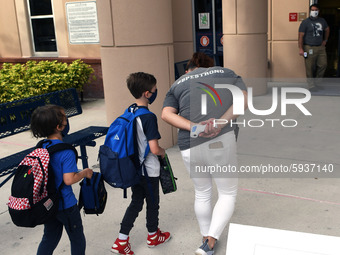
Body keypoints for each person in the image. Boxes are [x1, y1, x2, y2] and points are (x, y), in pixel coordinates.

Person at [162, 52, 247, 255]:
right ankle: (210, 242)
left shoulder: (178, 83)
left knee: (202, 191)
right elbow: (243, 101)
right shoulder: (227, 73)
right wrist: (219, 123)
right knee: (227, 192)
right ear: (211, 66)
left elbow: (166, 114)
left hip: (189, 145)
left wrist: (195, 127)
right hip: (220, 141)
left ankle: (204, 235)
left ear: (188, 69)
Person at [111, 72, 171, 255]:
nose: (155, 92)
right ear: (147, 93)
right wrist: (163, 152)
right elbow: (154, 148)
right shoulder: (148, 117)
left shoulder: (130, 111)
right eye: (154, 90)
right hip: (149, 170)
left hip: (133, 169)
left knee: (136, 202)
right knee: (153, 203)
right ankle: (153, 236)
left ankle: (121, 240)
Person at [31, 105, 93, 255]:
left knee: (49, 238)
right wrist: (84, 173)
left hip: (48, 203)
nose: (67, 121)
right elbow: (68, 179)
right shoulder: (66, 150)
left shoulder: (42, 146)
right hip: (66, 205)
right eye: (65, 118)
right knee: (77, 238)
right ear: (59, 127)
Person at [298, 4, 330, 91]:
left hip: (321, 47)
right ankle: (311, 85)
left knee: (323, 64)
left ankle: (318, 83)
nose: (314, 11)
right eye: (312, 10)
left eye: (316, 10)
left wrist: (325, 40)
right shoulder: (305, 22)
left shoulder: (322, 21)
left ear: (318, 11)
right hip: (308, 47)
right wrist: (301, 48)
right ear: (310, 11)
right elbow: (301, 35)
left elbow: (327, 29)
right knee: (309, 67)